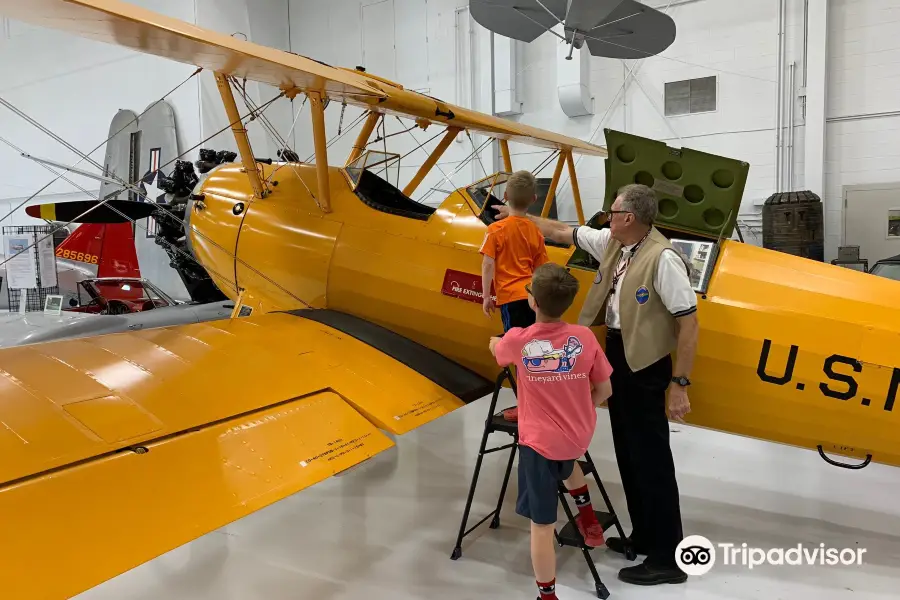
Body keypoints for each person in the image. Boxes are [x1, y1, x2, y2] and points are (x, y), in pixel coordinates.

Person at [492, 183, 699, 586]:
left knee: (652, 461)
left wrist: (679, 384)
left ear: (629, 218)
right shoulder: (614, 241)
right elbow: (562, 231)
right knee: (629, 453)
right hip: (619, 354)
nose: (607, 215)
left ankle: (668, 558)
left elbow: (688, 323)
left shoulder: (663, 258)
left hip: (647, 365)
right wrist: (517, 218)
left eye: (613, 210)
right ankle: (643, 536)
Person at [489, 263, 613, 600]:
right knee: (568, 462)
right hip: (577, 437)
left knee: (541, 526)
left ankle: (547, 595)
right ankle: (588, 520)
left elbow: (499, 354)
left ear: (533, 303)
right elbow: (605, 391)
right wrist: (578, 405)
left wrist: (494, 342)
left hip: (540, 443)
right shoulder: (585, 337)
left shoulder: (520, 340)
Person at [480, 170, 549, 421]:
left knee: (519, 353)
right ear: (533, 199)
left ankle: (526, 407)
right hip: (532, 299)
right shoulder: (535, 232)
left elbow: (488, 265)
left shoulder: (495, 230)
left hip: (510, 298)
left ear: (506, 195)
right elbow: (542, 271)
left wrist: (486, 296)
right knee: (532, 352)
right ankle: (538, 402)